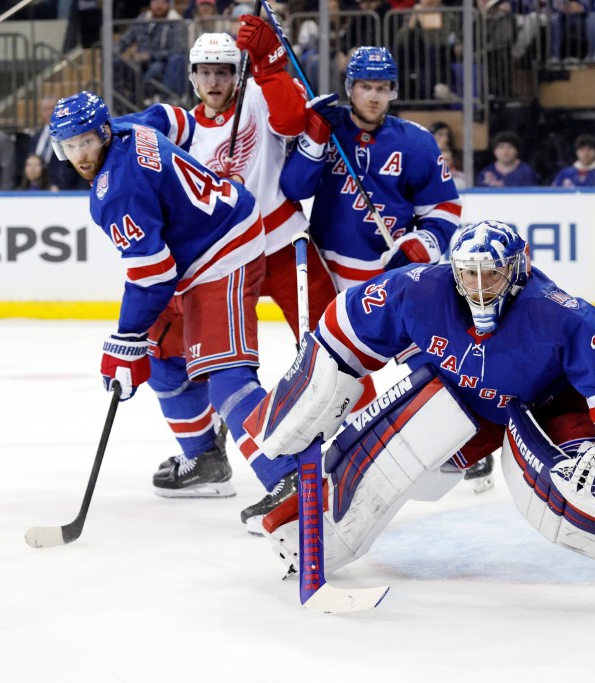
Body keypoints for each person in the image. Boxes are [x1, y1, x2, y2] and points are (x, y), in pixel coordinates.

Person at [259, 220, 595, 611]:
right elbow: (345, 326)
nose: (477, 286)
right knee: (378, 454)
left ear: (516, 270)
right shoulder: (421, 290)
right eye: (467, 274)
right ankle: (311, 532)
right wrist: (321, 381)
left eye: (490, 274)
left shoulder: (560, 314)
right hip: (464, 403)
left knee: (583, 488)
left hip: (548, 407)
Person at [114, 22, 333, 529]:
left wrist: (272, 58)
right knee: (164, 347)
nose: (215, 81)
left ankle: (346, 442)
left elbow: (292, 117)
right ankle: (204, 456)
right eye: (206, 72)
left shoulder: (258, 97)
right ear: (192, 77)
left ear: (238, 73)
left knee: (328, 346)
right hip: (217, 261)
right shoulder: (179, 129)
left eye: (224, 71)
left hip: (279, 245)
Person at [48, 90, 301, 526]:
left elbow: (153, 276)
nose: (80, 155)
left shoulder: (116, 193)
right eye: (70, 146)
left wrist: (123, 339)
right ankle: (204, 461)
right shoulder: (132, 126)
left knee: (226, 378)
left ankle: (292, 478)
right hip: (195, 254)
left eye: (86, 142)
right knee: (162, 353)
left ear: (104, 133)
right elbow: (175, 118)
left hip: (225, 251)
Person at [279, 46, 462, 296]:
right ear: (350, 88)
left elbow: (444, 206)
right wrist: (314, 135)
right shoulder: (327, 126)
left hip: (389, 275)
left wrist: (422, 245)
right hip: (325, 272)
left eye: (382, 88)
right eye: (365, 87)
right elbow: (295, 189)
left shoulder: (416, 142)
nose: (373, 97)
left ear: (392, 91)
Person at [114, 0, 190, 104]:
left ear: (168, 4)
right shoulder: (142, 19)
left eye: (162, 2)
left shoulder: (175, 22)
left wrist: (150, 56)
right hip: (138, 63)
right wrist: (115, 50)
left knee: (155, 69)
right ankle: (119, 105)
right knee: (116, 63)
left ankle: (139, 101)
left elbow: (178, 50)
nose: (158, 5)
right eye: (155, 1)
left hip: (162, 63)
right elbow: (125, 40)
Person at [28, 96, 83, 190]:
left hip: (61, 191)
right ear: (40, 112)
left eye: (52, 109)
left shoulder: (70, 136)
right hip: (36, 191)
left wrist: (60, 187)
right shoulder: (35, 137)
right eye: (45, 109)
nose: (49, 112)